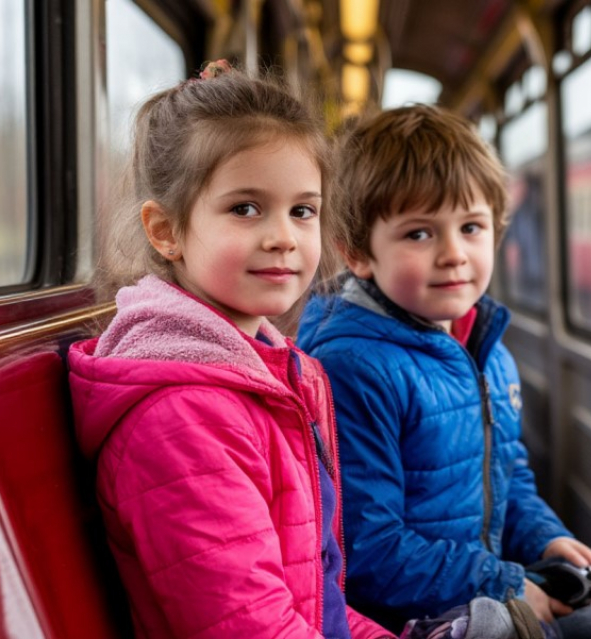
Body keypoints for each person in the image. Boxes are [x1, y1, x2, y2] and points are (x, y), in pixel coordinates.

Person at [297, 105, 591, 639]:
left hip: (469, 593)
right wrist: (506, 584)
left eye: (470, 227)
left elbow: (507, 478)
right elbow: (368, 552)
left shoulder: (481, 349)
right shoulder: (353, 369)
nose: (454, 254)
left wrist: (544, 540)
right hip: (408, 618)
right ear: (358, 252)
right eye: (419, 234)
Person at [67, 61, 393, 639]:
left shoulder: (268, 368)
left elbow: (319, 603)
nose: (283, 236)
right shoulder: (181, 415)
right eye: (245, 208)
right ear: (166, 231)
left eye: (303, 210)